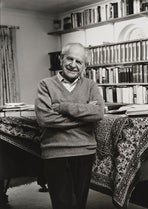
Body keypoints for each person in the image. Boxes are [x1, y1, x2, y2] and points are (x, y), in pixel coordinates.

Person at [35, 43, 105, 209]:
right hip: (55, 151)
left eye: (79, 62)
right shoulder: (45, 85)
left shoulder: (90, 85)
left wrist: (63, 107)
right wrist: (84, 118)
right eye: (70, 58)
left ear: (84, 66)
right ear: (61, 59)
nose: (73, 64)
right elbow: (45, 119)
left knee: (79, 204)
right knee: (63, 204)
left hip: (84, 150)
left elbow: (98, 113)